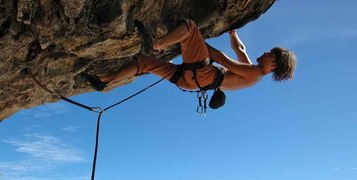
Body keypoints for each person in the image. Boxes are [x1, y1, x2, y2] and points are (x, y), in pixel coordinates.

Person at [79, 19, 296, 109]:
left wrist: (200, 42)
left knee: (191, 27)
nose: (266, 52)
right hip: (190, 82)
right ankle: (102, 82)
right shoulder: (251, 70)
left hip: (204, 76)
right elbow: (240, 50)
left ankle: (157, 45)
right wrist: (233, 32)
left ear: (274, 64)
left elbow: (222, 59)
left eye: (271, 53)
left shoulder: (255, 74)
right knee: (144, 64)